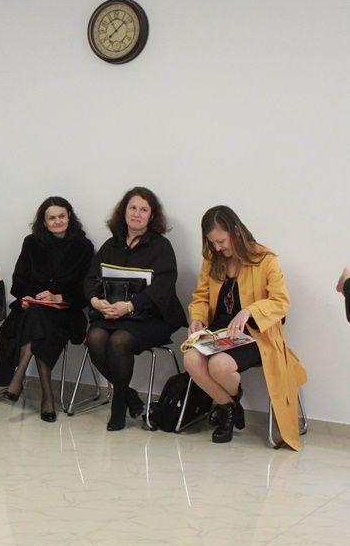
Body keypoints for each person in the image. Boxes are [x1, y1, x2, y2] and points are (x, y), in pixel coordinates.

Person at [184, 206, 307, 448]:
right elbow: (201, 297)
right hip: (219, 331)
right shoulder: (212, 260)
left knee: (219, 365)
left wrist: (250, 311)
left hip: (255, 334)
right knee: (191, 359)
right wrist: (197, 318)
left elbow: (281, 301)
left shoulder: (265, 259)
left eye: (221, 241)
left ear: (236, 231)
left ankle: (226, 411)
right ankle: (229, 406)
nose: (217, 248)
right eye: (212, 243)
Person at [84, 186, 187, 431]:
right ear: (124, 211)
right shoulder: (111, 245)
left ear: (152, 216)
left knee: (119, 341)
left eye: (143, 210)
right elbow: (90, 279)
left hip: (152, 317)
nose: (137, 214)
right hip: (113, 313)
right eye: (132, 208)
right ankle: (129, 395)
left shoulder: (161, 247)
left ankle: (118, 407)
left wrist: (130, 305)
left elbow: (163, 287)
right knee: (94, 337)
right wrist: (96, 302)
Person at [0, 197, 94, 422]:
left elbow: (87, 290)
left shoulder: (83, 247)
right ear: (44, 221)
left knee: (37, 322)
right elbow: (19, 280)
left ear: (69, 217)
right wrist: (26, 297)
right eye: (52, 218)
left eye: (61, 216)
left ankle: (18, 377)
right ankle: (47, 396)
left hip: (66, 314)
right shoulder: (32, 243)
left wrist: (59, 297)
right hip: (32, 308)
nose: (57, 221)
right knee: (37, 319)